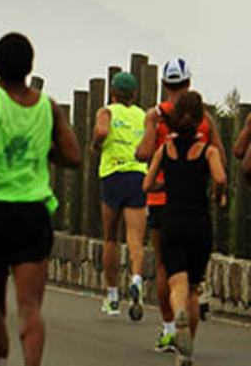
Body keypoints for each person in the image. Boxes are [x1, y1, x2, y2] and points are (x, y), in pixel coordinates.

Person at [0, 32, 81, 366]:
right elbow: (73, 156)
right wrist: (47, 153)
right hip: (33, 210)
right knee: (30, 308)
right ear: (30, 67)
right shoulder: (49, 107)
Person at [135, 58, 220, 353]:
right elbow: (219, 155)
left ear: (164, 84)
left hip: (162, 202)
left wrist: (149, 124)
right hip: (195, 204)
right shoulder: (202, 117)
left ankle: (170, 327)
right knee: (192, 281)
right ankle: (186, 337)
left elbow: (143, 154)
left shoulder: (157, 116)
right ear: (188, 83)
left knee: (164, 267)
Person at [92, 70, 147, 320]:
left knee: (111, 238)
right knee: (135, 237)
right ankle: (136, 279)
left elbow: (102, 132)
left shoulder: (107, 111)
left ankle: (112, 296)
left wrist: (95, 145)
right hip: (138, 175)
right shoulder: (143, 115)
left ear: (113, 92)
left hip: (113, 175)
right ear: (134, 95)